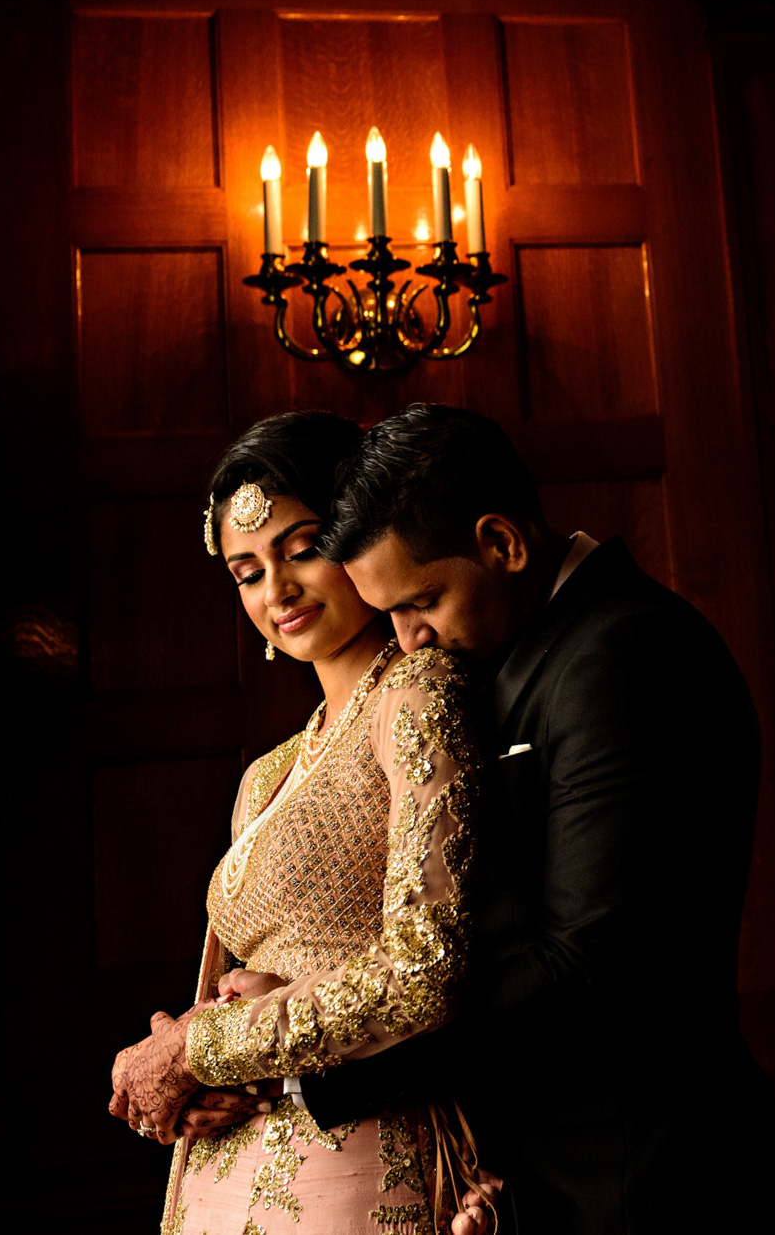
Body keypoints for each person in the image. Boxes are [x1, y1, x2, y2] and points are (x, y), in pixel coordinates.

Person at [288, 402, 775, 1234]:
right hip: (541, 1175)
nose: (408, 641)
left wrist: (312, 1069)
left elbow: (584, 968)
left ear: (502, 542)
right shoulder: (522, 652)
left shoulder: (625, 653)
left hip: (642, 1181)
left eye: (422, 601)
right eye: (390, 615)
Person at [109, 411, 498, 1235]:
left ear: (357, 536)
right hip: (227, 1172)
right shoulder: (268, 772)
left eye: (301, 548)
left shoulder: (416, 695)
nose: (276, 591)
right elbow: (238, 988)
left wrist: (206, 1047)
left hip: (354, 1156)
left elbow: (426, 968)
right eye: (247, 571)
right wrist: (192, 1065)